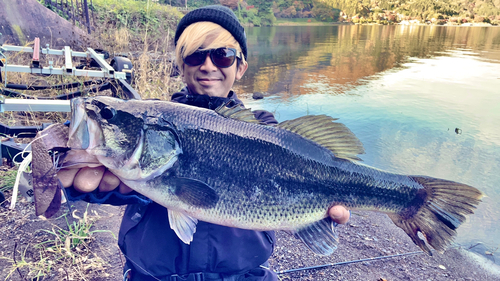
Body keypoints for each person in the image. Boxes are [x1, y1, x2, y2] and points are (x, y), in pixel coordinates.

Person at [57, 5, 350, 281]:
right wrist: (82, 180)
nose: (208, 66)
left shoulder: (264, 127)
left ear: (241, 67)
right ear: (181, 67)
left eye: (223, 55)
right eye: (195, 56)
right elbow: (115, 186)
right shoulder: (155, 118)